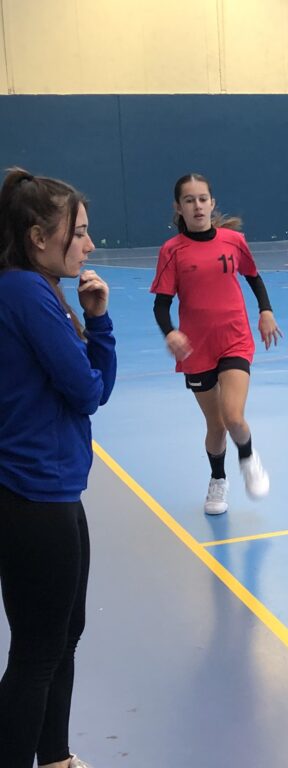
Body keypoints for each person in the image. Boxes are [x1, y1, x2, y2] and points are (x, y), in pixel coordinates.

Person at [0, 168, 116, 768]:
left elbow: (92, 388)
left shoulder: (41, 290)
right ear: (38, 236)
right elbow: (87, 390)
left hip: (55, 489)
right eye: (80, 233)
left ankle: (55, 755)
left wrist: (94, 321)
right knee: (38, 651)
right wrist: (98, 330)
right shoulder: (24, 293)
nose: (89, 245)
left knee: (62, 633)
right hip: (32, 496)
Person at [150, 173, 281, 515]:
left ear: (212, 203)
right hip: (196, 349)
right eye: (189, 200)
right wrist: (170, 333)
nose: (197, 206)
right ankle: (218, 479)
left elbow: (254, 278)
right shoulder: (172, 251)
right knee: (217, 426)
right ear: (178, 207)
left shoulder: (233, 241)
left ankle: (249, 458)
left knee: (234, 416)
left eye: (203, 198)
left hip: (234, 338)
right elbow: (160, 304)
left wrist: (265, 311)